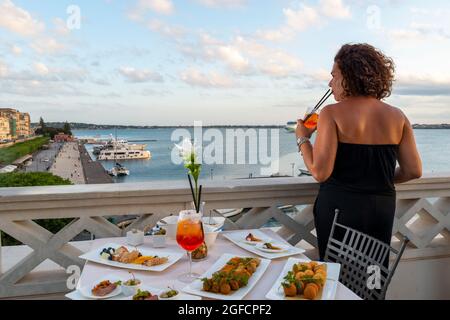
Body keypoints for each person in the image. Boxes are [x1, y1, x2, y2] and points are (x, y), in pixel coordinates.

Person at [296, 43, 422, 260]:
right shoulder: (398, 116)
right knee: (371, 276)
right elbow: (413, 171)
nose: (330, 82)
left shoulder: (331, 113)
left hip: (339, 211)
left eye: (334, 75)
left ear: (350, 76)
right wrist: (374, 178)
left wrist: (302, 139)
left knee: (339, 277)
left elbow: (319, 172)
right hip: (380, 210)